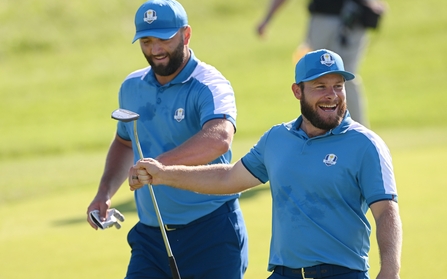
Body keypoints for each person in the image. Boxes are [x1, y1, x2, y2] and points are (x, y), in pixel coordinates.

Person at [130, 49, 403, 279]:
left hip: (342, 273)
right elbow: (227, 178)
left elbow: (386, 212)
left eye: (338, 86)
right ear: (298, 91)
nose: (331, 95)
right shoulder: (277, 138)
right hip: (284, 273)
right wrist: (163, 174)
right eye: (320, 87)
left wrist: (389, 271)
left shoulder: (365, 145)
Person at [86, 0, 248, 278]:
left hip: (211, 233)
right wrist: (104, 193)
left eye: (164, 39)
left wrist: (157, 166)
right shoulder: (131, 87)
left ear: (186, 35)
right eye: (146, 41)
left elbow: (219, 138)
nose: (155, 50)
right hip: (151, 237)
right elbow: (125, 142)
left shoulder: (209, 84)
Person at [256, 0, 387, 127]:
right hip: (328, 18)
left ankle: (357, 132)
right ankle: (318, 127)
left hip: (350, 18)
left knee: (343, 77)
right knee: (317, 76)